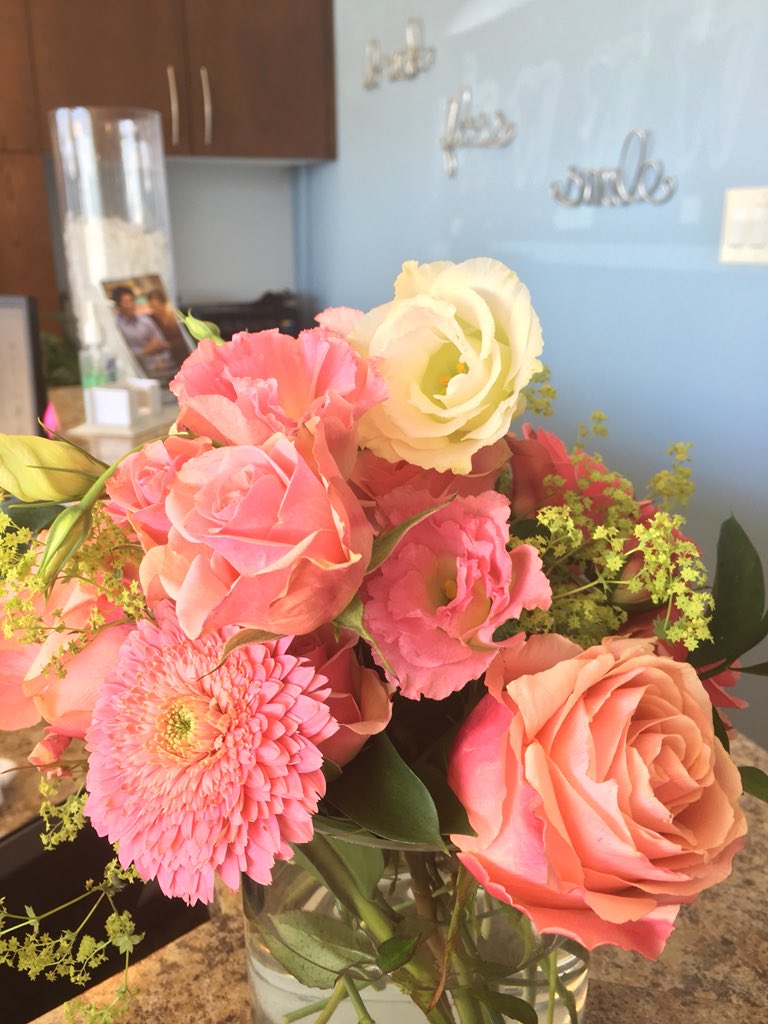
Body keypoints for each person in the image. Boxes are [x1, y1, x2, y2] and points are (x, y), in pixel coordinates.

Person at [111, 286, 173, 379]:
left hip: (159, 368)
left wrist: (163, 359)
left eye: (132, 301)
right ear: (118, 306)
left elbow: (162, 343)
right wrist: (145, 351)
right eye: (126, 302)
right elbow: (122, 354)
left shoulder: (146, 320)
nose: (131, 305)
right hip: (135, 373)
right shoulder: (116, 326)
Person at [146, 287, 190, 365]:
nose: (155, 310)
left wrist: (170, 344)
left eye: (156, 306)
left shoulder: (174, 316)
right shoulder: (153, 318)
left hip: (186, 353)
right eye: (152, 307)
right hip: (172, 358)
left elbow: (185, 336)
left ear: (163, 303)